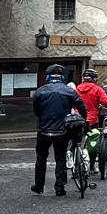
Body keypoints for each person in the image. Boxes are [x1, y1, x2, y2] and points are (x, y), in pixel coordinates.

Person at [31, 64, 86, 196]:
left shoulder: (40, 91)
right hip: (62, 130)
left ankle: (39, 185)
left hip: (44, 130)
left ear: (48, 77)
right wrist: (84, 119)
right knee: (60, 158)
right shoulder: (69, 91)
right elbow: (81, 106)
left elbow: (36, 111)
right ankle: (60, 187)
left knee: (41, 158)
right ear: (62, 77)